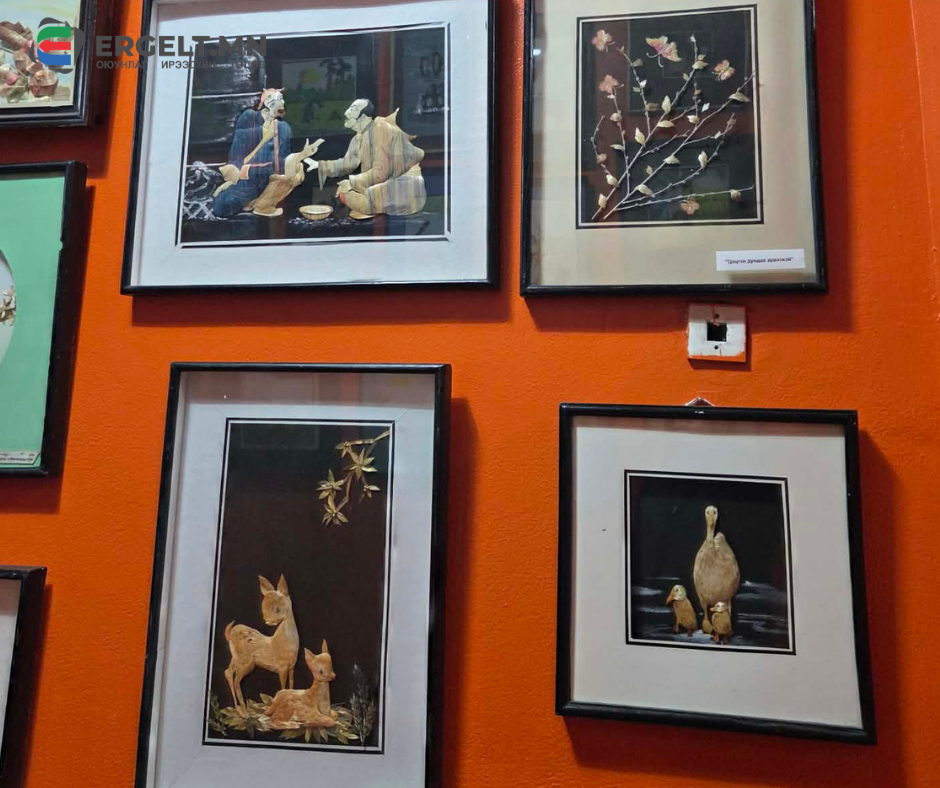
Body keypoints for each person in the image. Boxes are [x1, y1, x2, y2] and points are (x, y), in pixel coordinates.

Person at [305, 98, 427, 217]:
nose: (346, 112)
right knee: (344, 192)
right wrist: (320, 165)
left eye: (353, 109)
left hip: (402, 187)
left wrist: (352, 183)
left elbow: (381, 172)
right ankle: (370, 204)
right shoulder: (358, 137)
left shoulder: (382, 130)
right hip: (380, 186)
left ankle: (372, 206)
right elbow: (348, 163)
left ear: (364, 117)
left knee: (346, 191)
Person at [213, 88, 292, 218]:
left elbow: (282, 161)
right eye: (276, 99)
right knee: (222, 205)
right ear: (266, 103)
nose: (281, 102)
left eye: (281, 99)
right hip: (246, 177)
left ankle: (259, 205)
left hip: (268, 180)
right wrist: (233, 177)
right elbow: (237, 152)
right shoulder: (249, 117)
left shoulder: (283, 128)